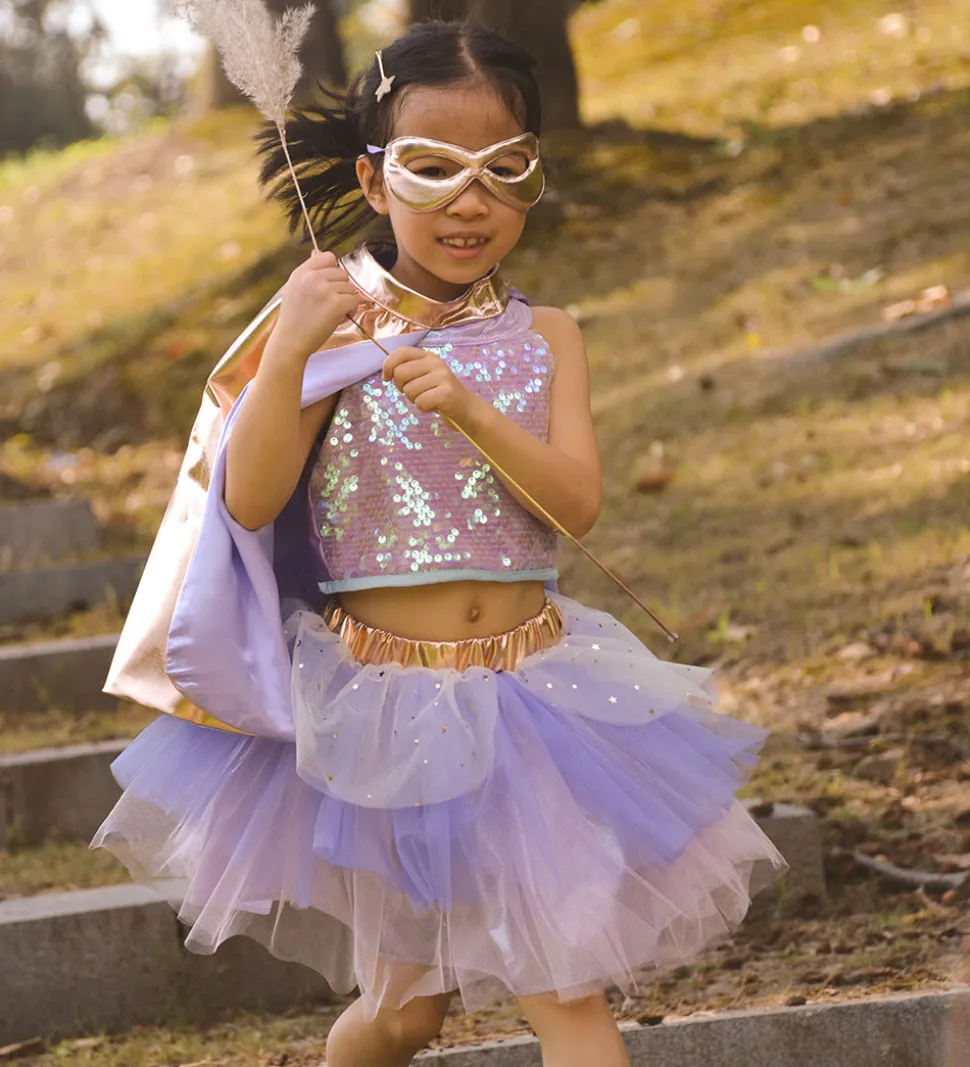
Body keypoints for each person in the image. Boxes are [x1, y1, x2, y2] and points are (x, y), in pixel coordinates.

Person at [93, 20, 786, 1067]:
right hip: (382, 714)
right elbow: (249, 498)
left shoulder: (548, 336)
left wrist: (468, 406)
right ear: (374, 183)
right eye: (434, 168)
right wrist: (286, 352)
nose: (471, 200)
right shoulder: (330, 331)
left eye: (505, 168)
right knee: (404, 1014)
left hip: (534, 704)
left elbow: (575, 506)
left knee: (566, 990)